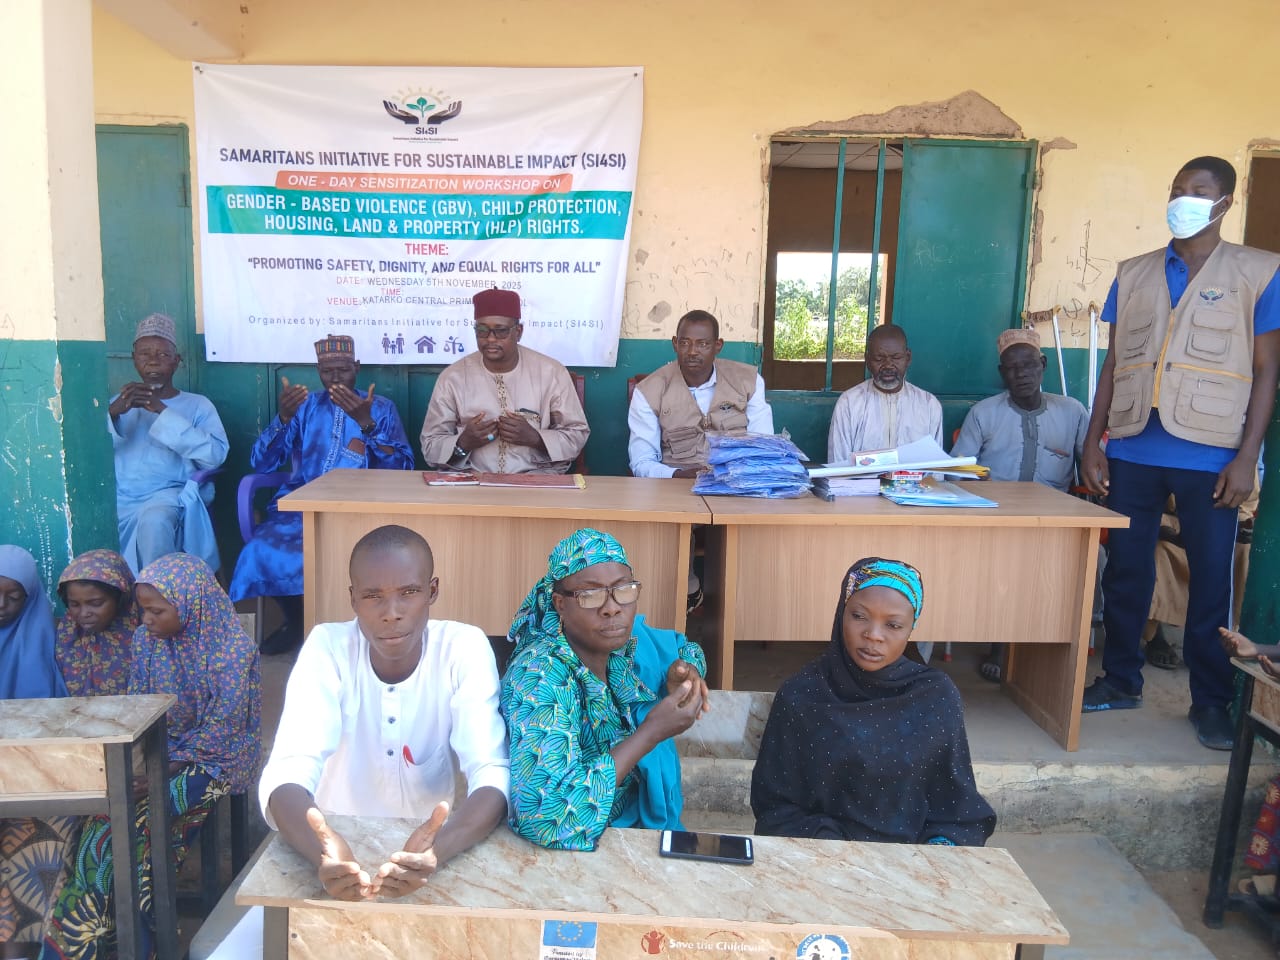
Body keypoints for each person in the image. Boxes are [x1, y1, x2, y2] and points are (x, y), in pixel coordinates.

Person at [1080, 155, 1280, 752]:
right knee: (1127, 571)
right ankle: (1121, 678)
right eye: (1177, 188)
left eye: (1198, 190)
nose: (1183, 198)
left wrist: (1247, 457)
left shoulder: (1260, 272)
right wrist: (1094, 441)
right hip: (1134, 446)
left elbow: (1268, 371)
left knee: (1211, 582)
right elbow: (1114, 363)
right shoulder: (1134, 272)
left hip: (1213, 455)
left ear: (1225, 202)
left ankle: (1210, 701)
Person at [258, 524, 509, 902]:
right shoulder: (328, 647)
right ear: (353, 599)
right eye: (373, 596)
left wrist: (436, 851)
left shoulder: (462, 648)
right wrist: (322, 852)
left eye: (409, 593)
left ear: (432, 591)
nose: (391, 613)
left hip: (426, 849)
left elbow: (490, 770)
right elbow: (288, 769)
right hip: (332, 843)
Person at [41, 553, 261, 960]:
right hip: (162, 751)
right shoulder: (146, 641)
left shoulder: (232, 650)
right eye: (143, 610)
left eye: (157, 611)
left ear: (191, 605)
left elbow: (224, 728)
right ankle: (103, 943)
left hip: (217, 761)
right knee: (107, 821)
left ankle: (128, 945)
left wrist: (162, 772)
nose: (145, 620)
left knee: (140, 823)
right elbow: (139, 708)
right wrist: (143, 765)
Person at [751, 557, 995, 846]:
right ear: (841, 613)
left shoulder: (935, 697)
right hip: (823, 855)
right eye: (859, 616)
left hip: (912, 859)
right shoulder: (802, 694)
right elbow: (775, 806)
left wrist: (936, 850)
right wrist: (836, 851)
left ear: (911, 628)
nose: (873, 635)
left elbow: (956, 807)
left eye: (893, 624)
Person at [502, 528, 709, 850]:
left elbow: (684, 647)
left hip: (637, 834)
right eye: (590, 595)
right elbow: (546, 819)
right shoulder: (539, 677)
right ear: (560, 604)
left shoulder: (625, 644)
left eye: (623, 590)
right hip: (577, 852)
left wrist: (684, 673)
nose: (612, 608)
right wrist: (650, 732)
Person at [229, 334, 414, 655]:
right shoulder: (306, 407)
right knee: (260, 550)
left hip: (363, 508)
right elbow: (262, 461)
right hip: (301, 506)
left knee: (354, 556)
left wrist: (367, 424)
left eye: (344, 370)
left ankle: (346, 627)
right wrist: (284, 418)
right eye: (328, 371)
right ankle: (298, 622)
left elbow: (402, 466)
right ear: (318, 371)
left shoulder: (381, 408)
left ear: (357, 368)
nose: (336, 378)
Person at [952, 328, 1089, 682]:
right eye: (1012, 368)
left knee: (1088, 561)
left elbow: (1092, 464)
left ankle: (1054, 650)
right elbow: (956, 471)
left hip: (1056, 518)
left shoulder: (1072, 412)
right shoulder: (984, 413)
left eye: (1029, 365)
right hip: (996, 516)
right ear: (1002, 373)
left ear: (1043, 364)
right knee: (1008, 557)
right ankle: (1002, 642)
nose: (1022, 374)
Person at [420, 289, 589, 474]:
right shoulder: (453, 377)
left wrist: (536, 438)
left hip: (537, 480)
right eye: (482, 330)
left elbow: (577, 434)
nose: (490, 339)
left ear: (518, 332)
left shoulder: (551, 373)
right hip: (472, 481)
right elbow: (430, 446)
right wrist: (463, 443)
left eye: (500, 331)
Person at [109, 313, 228, 576]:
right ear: (134, 359)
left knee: (154, 520)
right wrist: (112, 414)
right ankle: (122, 597)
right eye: (145, 354)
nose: (153, 360)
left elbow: (215, 455)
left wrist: (161, 411)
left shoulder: (198, 405)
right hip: (120, 496)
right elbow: (91, 454)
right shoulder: (118, 403)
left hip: (169, 493)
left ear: (176, 361)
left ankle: (160, 591)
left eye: (163, 354)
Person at [1, 546, 72, 959]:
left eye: (14, 597)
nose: (1, 606)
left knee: (35, 838)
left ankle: (27, 946)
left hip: (40, 774)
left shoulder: (54, 640)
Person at [628, 309, 773, 479]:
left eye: (703, 344)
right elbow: (642, 462)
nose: (692, 351)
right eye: (684, 343)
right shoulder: (648, 391)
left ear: (718, 346)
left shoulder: (748, 381)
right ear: (675, 344)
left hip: (739, 483)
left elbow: (764, 447)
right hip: (675, 486)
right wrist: (677, 475)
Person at [827, 324, 943, 463]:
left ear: (908, 358)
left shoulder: (929, 405)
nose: (888, 365)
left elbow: (935, 467)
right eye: (879, 358)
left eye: (896, 358)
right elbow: (838, 465)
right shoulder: (849, 403)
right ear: (867, 360)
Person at [54, 550, 138, 697]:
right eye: (74, 604)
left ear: (120, 597)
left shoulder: (143, 636)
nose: (84, 613)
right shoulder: (67, 635)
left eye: (96, 603)